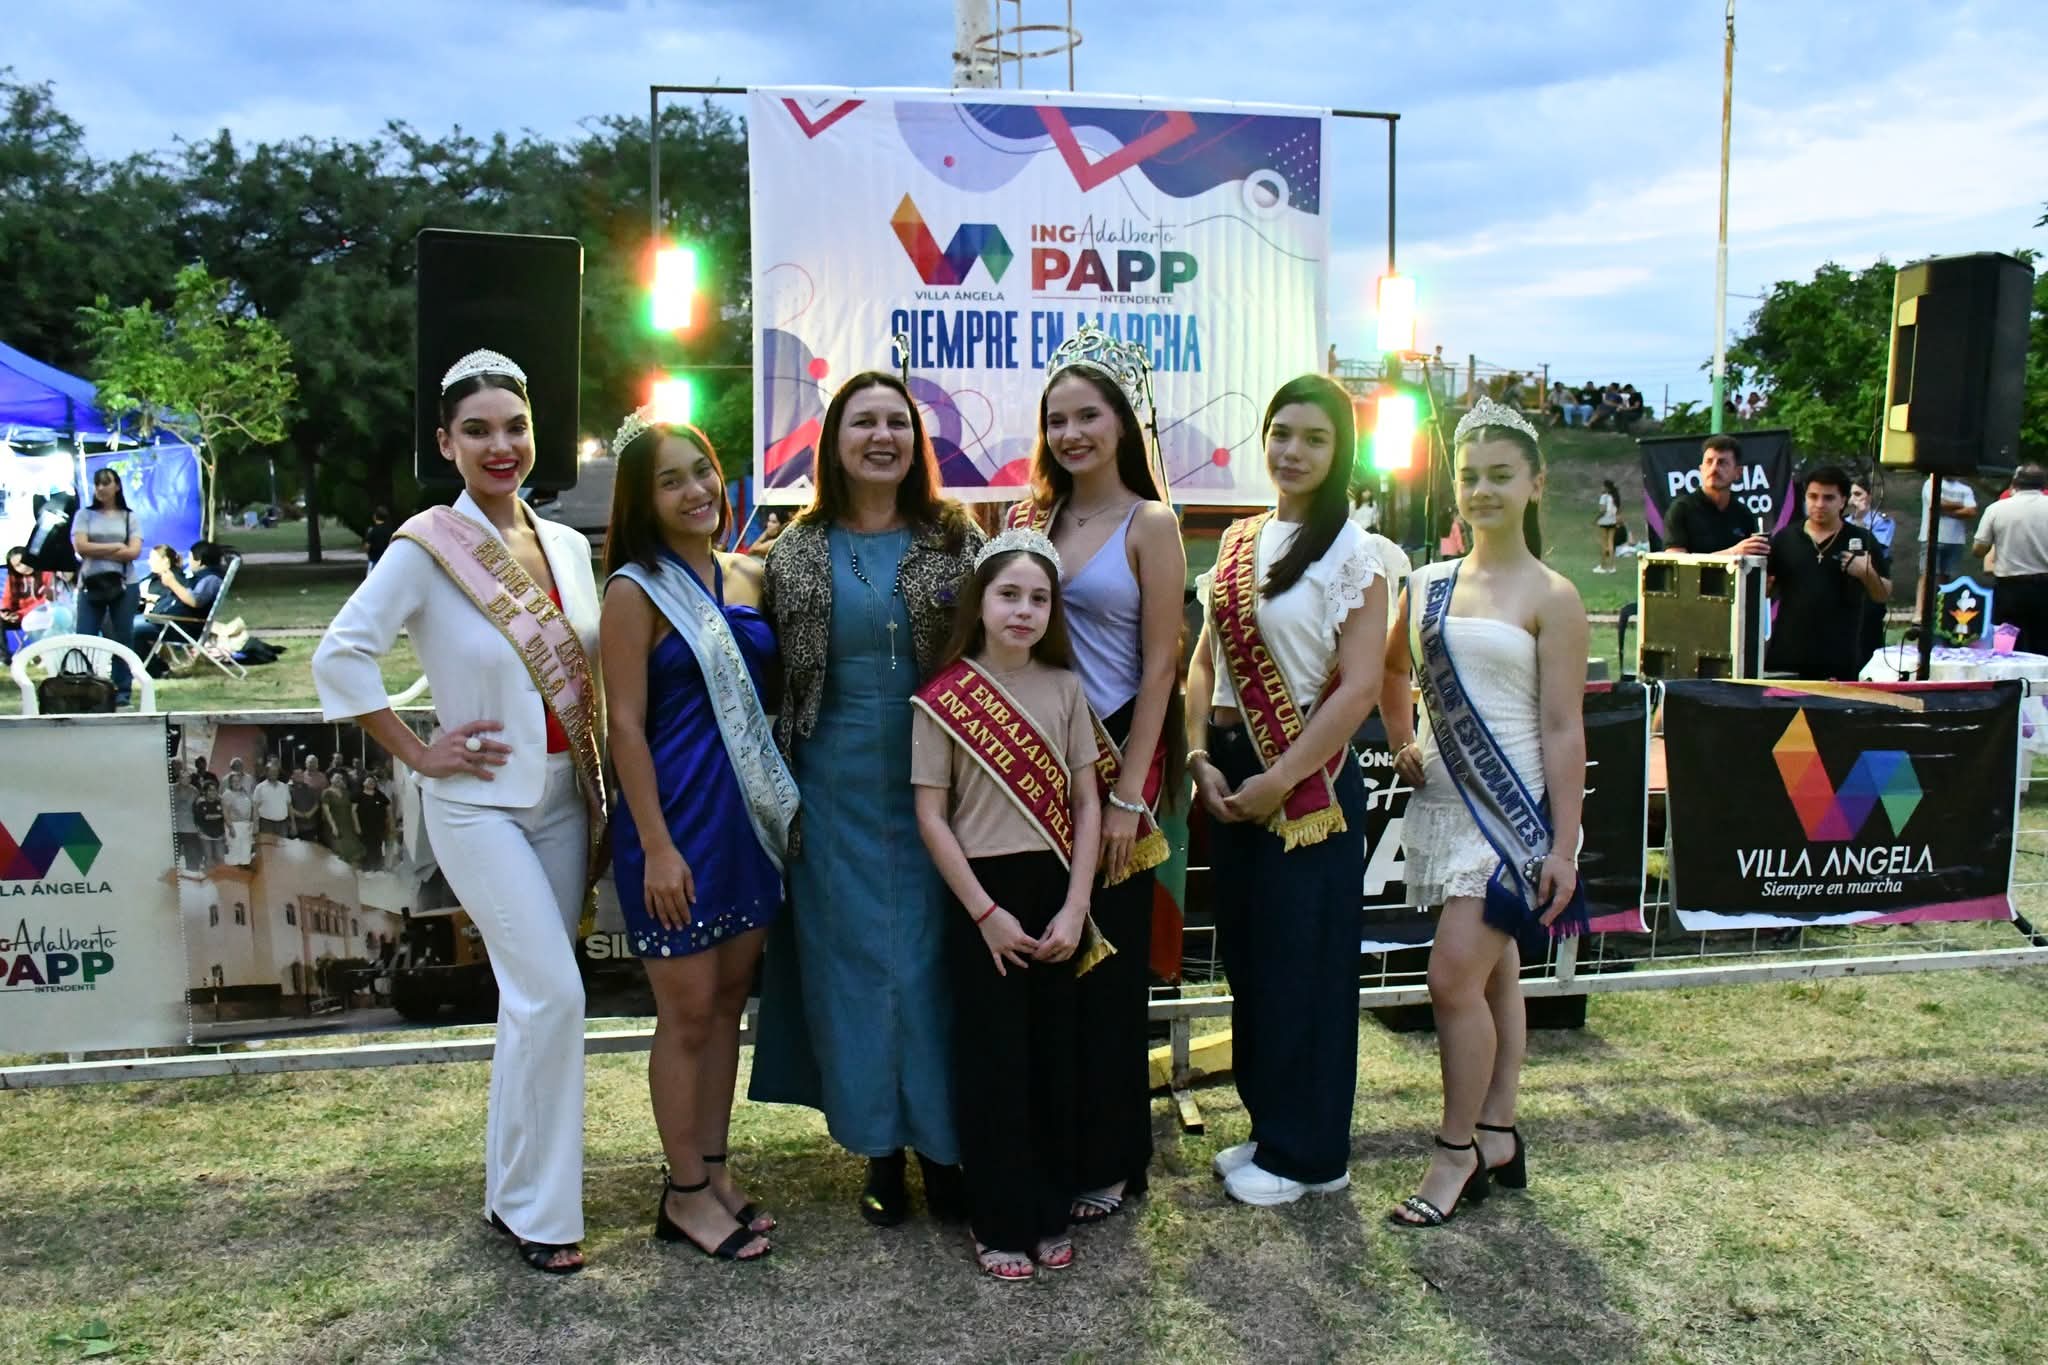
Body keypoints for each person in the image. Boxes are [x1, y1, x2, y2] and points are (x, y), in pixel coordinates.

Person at [313, 348, 604, 1275]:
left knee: (531, 1002)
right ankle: (545, 1215)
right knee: (555, 993)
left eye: (514, 427)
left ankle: (509, 1193)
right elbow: (340, 655)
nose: (499, 445)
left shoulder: (567, 547)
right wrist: (418, 749)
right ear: (446, 444)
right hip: (478, 807)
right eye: (477, 430)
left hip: (564, 800)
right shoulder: (426, 546)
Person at [750, 370, 986, 1226]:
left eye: (896, 422)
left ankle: (945, 1148)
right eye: (863, 422)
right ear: (835, 442)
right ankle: (880, 1148)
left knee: (929, 968)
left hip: (942, 783)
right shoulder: (793, 550)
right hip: (831, 785)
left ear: (916, 443)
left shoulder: (958, 538)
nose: (881, 436)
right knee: (852, 972)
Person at [1381, 397, 1591, 1229]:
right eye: (1469, 476)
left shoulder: (1555, 595)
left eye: (1501, 475)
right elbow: (1391, 671)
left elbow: (1563, 725)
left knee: (1450, 977)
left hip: (1513, 816)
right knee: (1494, 973)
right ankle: (1499, 1131)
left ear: (1536, 484)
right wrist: (1402, 736)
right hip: (1447, 801)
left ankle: (1455, 1150)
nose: (1482, 490)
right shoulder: (1427, 583)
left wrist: (1563, 845)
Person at [1188, 374, 1388, 1207]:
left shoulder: (1358, 554)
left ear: (1340, 451)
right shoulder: (1240, 542)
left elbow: (1360, 686)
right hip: (1232, 771)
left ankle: (1312, 1153)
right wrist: (1197, 752)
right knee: (1252, 962)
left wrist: (1282, 775)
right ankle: (1272, 1127)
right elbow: (1203, 660)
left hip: (1309, 784)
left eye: (1314, 437)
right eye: (1281, 432)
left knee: (1306, 966)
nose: (1293, 451)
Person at [601, 408, 795, 1264]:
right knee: (683, 1014)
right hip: (674, 821)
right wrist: (656, 843)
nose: (695, 490)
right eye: (670, 480)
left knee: (725, 1005)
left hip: (743, 819)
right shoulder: (633, 590)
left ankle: (712, 1170)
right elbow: (625, 726)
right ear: (642, 500)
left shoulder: (746, 574)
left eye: (703, 470)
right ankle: (682, 1194)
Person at [1007, 324, 1187, 1225]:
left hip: (1119, 759)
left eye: (1088, 416)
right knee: (1051, 963)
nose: (1072, 433)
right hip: (1041, 761)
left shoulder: (1151, 524)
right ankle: (1053, 1142)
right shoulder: (1031, 522)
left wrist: (1128, 796)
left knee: (1108, 969)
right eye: (1057, 420)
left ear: (1120, 423)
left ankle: (1113, 1155)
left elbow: (1161, 667)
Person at [911, 529, 1103, 1279]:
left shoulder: (1066, 688)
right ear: (980, 602)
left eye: (1039, 598)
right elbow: (931, 816)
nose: (1023, 610)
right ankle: (996, 1219)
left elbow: (1086, 803)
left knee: (1054, 1056)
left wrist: (1077, 905)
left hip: (1056, 890)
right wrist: (985, 914)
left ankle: (1049, 1209)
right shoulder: (943, 698)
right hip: (981, 899)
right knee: (993, 1062)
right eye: (1008, 594)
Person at [1766, 466, 1890, 681]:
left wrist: (1866, 572)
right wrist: (1763, 585)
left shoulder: (1862, 539)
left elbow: (1883, 594)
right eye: (1813, 496)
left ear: (1843, 501)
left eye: (1828, 498)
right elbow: (1767, 589)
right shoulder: (1785, 538)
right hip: (1789, 653)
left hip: (1842, 655)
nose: (1819, 504)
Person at [70, 467, 145, 706]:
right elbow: (81, 547)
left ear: (117, 486)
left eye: (106, 483)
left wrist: (98, 549)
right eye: (97, 484)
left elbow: (134, 552)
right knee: (85, 636)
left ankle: (122, 691)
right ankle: (85, 689)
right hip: (90, 584)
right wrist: (116, 547)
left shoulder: (129, 517)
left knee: (122, 637)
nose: (101, 488)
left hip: (124, 584)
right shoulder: (84, 515)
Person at [1972, 463, 2048, 655]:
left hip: (2009, 589)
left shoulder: (1996, 509)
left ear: (2015, 483)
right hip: (2044, 587)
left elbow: (1979, 549)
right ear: (2043, 484)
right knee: (2043, 644)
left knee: (2008, 649)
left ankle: (2009, 674)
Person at [1663, 436, 1770, 557]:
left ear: (1738, 473)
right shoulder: (1681, 510)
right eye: (1709, 462)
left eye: (1722, 463)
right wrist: (1732, 553)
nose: (1714, 468)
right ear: (1701, 470)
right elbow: (1676, 562)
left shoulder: (1744, 515)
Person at [135, 541, 227, 661]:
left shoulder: (211, 579)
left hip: (181, 627)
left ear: (199, 561)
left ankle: (153, 668)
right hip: (172, 623)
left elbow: (195, 601)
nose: (190, 562)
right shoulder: (202, 578)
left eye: (191, 558)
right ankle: (155, 667)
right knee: (128, 625)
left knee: (132, 629)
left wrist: (172, 582)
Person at [1847, 477, 1899, 667]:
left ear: (1868, 497)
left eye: (1858, 494)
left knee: (1869, 635)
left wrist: (1861, 520)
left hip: (1873, 581)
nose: (1853, 499)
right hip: (1848, 586)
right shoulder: (1843, 522)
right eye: (1851, 495)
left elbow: (1876, 546)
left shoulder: (1882, 521)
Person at [1920, 475, 1979, 597]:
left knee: (1946, 579)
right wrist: (1961, 504)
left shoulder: (1965, 489)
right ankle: (1921, 608)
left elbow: (1971, 511)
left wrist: (1948, 512)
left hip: (1955, 540)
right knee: (1927, 576)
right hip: (1931, 538)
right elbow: (1937, 503)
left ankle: (1940, 606)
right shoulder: (1930, 483)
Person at [1, 546, 55, 662]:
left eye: (24, 562)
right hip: (18, 616)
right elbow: (7, 598)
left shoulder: (46, 572)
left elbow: (45, 601)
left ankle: (42, 654)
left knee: (37, 616)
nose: (23, 567)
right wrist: (5, 612)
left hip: (42, 615)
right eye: (17, 566)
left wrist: (20, 614)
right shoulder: (13, 578)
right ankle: (4, 658)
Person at [320, 773, 365, 864]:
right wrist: (333, 827)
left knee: (352, 850)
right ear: (331, 779)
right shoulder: (326, 792)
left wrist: (356, 825)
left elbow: (352, 809)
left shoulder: (346, 792)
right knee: (339, 851)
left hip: (348, 825)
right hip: (336, 825)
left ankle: (351, 870)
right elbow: (327, 812)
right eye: (336, 778)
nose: (338, 780)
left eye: (340, 778)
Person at [355, 775, 392, 871]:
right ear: (363, 783)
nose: (371, 783)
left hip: (379, 826)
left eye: (373, 781)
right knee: (367, 847)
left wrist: (389, 820)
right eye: (369, 781)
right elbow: (353, 811)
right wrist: (357, 825)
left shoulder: (379, 794)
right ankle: (367, 867)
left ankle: (378, 867)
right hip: (365, 826)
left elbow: (388, 806)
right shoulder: (358, 795)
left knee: (378, 846)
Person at [193, 775, 228, 868]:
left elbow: (227, 816)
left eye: (215, 790)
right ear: (205, 791)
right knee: (208, 858)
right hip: (205, 835)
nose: (213, 792)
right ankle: (209, 876)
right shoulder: (200, 802)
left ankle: (221, 876)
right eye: (210, 790)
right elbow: (206, 817)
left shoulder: (221, 802)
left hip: (219, 835)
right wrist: (221, 815)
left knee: (221, 858)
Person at [221, 771, 255, 865]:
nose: (236, 783)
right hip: (234, 826)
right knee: (235, 852)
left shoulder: (245, 793)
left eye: (238, 781)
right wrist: (231, 827)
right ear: (230, 783)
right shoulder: (227, 794)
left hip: (247, 826)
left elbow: (252, 807)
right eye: (234, 781)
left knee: (246, 851)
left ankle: (244, 870)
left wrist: (251, 824)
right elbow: (225, 812)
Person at [253, 759, 292, 838]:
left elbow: (289, 805)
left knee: (282, 845)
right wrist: (255, 826)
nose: (274, 773)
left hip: (283, 825)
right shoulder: (260, 787)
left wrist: (293, 823)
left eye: (276, 771)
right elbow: (255, 808)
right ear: (266, 772)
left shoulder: (284, 787)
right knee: (268, 845)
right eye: (271, 771)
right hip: (266, 824)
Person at [1595, 479, 1621, 574]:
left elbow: (1602, 510)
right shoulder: (1615, 497)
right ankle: (1612, 567)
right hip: (1612, 521)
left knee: (1604, 544)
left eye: (1603, 486)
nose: (1601, 488)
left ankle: (1602, 566)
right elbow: (1617, 510)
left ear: (1606, 487)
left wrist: (1595, 519)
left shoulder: (1604, 497)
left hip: (1604, 522)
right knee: (1611, 543)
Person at [288, 764, 319, 841]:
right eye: (297, 774)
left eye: (301, 773)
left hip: (311, 826)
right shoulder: (288, 789)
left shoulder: (310, 788)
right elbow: (288, 806)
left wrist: (310, 813)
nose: (300, 776)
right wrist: (302, 815)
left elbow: (316, 803)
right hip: (296, 827)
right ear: (292, 776)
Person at [364, 506, 395, 574]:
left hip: (374, 560)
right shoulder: (390, 530)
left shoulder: (372, 530)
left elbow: (367, 546)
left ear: (375, 516)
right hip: (386, 560)